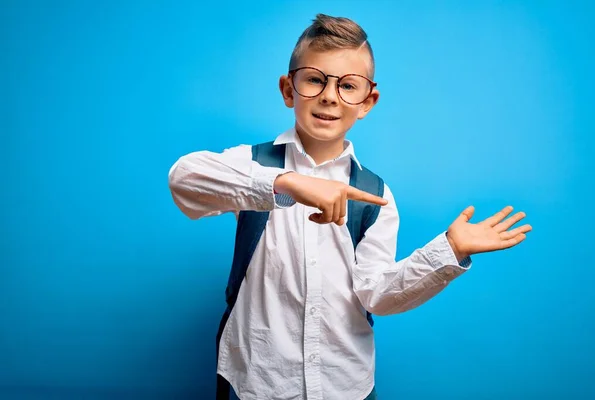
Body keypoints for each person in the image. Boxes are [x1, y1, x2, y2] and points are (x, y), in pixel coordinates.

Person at [167, 13, 532, 400]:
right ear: (288, 90)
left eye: (347, 86)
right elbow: (183, 179)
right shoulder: (255, 163)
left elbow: (377, 295)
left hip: (347, 386)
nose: (329, 96)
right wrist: (283, 183)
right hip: (257, 382)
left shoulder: (375, 195)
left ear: (367, 101)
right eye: (314, 80)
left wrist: (449, 250)